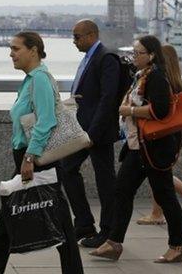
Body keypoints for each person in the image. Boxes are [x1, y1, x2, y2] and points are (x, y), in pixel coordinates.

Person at [0, 31, 83, 274]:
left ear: (33, 50)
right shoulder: (30, 79)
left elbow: (46, 121)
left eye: (16, 49)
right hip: (29, 158)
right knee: (11, 225)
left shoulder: (39, 79)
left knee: (53, 225)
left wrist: (29, 158)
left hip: (35, 159)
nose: (11, 53)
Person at [90, 35, 182, 263]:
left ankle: (178, 245)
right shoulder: (141, 76)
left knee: (164, 195)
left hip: (153, 148)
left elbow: (161, 110)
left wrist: (130, 112)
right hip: (138, 147)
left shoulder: (157, 78)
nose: (134, 57)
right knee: (122, 191)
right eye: (133, 53)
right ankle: (114, 243)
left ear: (151, 55)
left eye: (138, 53)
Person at [60, 19, 119, 247]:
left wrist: (93, 133)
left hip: (98, 132)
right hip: (83, 128)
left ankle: (107, 232)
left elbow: (108, 98)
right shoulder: (89, 58)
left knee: (106, 181)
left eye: (77, 37)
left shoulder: (106, 58)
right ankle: (84, 223)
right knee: (67, 169)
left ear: (91, 35)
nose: (74, 41)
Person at [137, 45, 182, 225]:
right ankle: (158, 211)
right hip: (175, 132)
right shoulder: (174, 80)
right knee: (160, 171)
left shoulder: (160, 80)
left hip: (162, 132)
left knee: (159, 172)